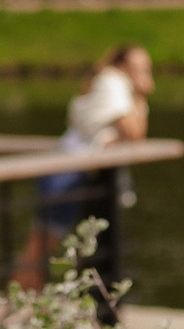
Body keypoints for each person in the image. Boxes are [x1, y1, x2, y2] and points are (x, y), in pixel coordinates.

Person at [19, 45, 153, 285]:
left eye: (146, 69)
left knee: (46, 244)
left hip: (67, 166)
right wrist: (142, 95)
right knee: (43, 245)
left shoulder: (106, 82)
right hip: (69, 172)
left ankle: (21, 304)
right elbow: (134, 132)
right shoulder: (114, 84)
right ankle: (15, 304)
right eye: (140, 68)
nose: (144, 74)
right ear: (123, 66)